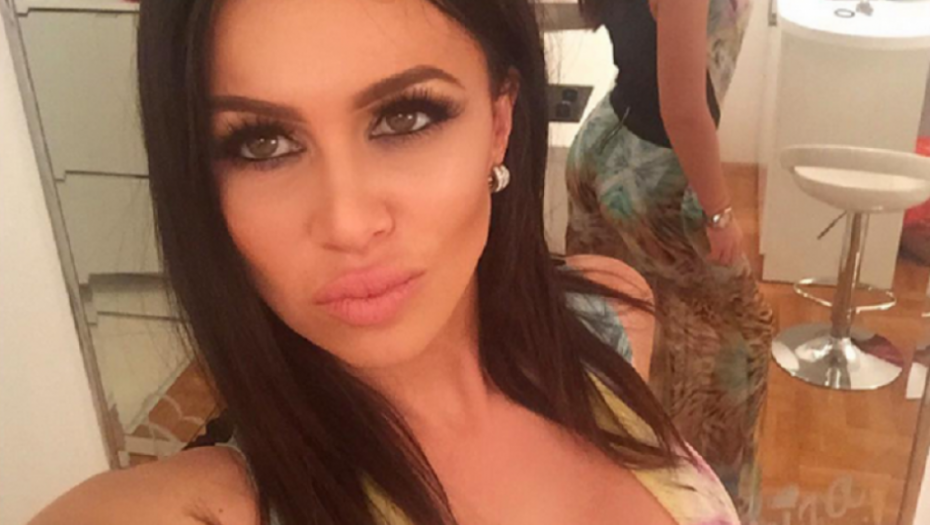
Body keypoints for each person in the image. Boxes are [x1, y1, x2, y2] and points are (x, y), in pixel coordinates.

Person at [31, 0, 739, 524]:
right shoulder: (204, 506)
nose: (347, 223)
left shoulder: (610, 315)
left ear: (499, 125)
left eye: (405, 117)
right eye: (262, 144)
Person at [565, 0, 774, 522]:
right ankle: (702, 508)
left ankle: (615, 492)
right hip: (655, 177)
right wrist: (719, 212)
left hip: (607, 143)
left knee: (620, 339)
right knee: (738, 348)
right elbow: (682, 108)